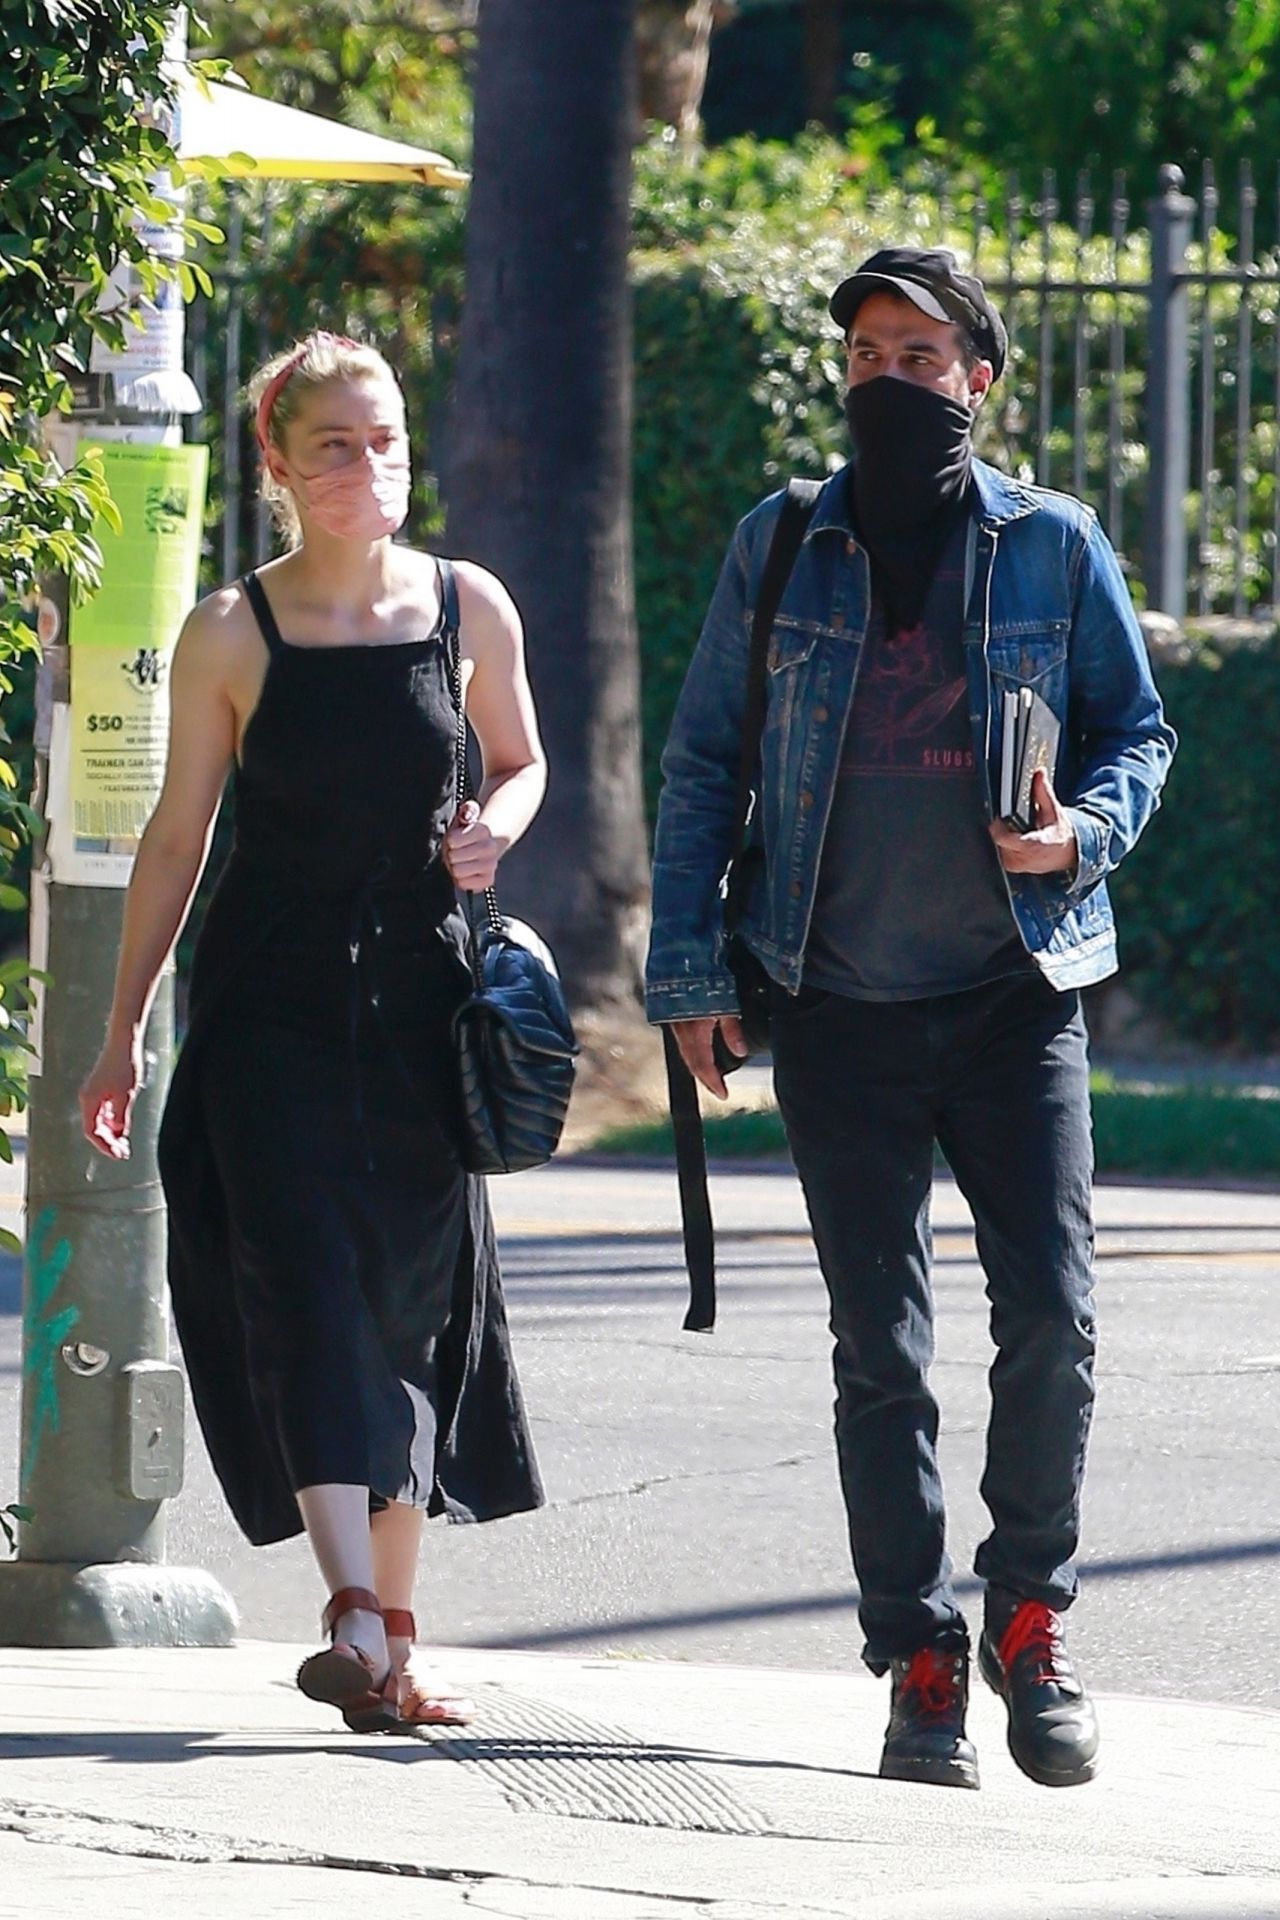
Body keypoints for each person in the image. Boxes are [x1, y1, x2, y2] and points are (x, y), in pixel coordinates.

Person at [646, 249, 1175, 1792]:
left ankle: (1030, 1622)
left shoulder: (1053, 547)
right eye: (869, 353)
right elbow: (702, 767)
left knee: (1056, 1324)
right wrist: (693, 976)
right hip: (837, 1009)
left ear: (980, 382)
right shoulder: (782, 543)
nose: (890, 378)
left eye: (922, 355)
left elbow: (1138, 730)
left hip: (1017, 1000)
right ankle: (918, 1655)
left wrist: (1078, 830)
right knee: (881, 1349)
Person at [80, 331, 547, 1732]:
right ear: (277, 464)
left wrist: (493, 831)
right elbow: (177, 840)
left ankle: (395, 1648)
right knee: (302, 1287)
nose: (369, 466)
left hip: (423, 1007)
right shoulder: (234, 626)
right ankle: (350, 1607)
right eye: (334, 444)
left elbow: (521, 764)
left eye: (388, 437)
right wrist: (121, 1037)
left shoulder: (471, 607)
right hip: (268, 1009)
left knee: (411, 1306)